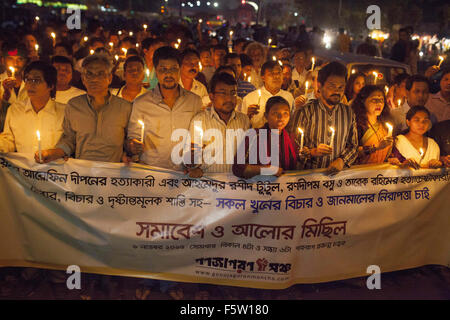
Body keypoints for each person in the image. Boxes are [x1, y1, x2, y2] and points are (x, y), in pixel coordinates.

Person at [35, 53, 132, 163]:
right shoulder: (74, 106)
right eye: (89, 74)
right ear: (83, 78)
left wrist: (129, 150)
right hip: (83, 173)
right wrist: (53, 153)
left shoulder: (125, 107)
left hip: (113, 173)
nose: (94, 79)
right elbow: (69, 139)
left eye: (100, 74)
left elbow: (128, 142)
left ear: (109, 78)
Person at [126, 46, 203, 170]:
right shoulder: (141, 103)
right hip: (151, 173)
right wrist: (132, 145)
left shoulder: (194, 101)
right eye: (163, 69)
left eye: (173, 69)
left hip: (182, 173)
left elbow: (198, 137)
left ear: (180, 70)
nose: (168, 74)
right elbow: (133, 137)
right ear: (156, 71)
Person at [288, 61, 358, 174]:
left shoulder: (348, 113)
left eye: (341, 87)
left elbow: (353, 146)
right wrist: (312, 152)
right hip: (308, 177)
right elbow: (292, 148)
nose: (337, 91)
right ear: (320, 86)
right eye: (332, 86)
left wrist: (342, 161)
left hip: (337, 180)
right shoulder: (305, 111)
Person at [185, 72, 250, 177]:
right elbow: (192, 163)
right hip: (209, 184)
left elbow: (248, 156)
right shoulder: (199, 121)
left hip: (237, 185)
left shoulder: (244, 121)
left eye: (233, 93)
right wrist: (192, 158)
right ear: (211, 97)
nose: (229, 99)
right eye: (223, 93)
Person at [0, 61, 65, 153]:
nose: (30, 85)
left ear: (51, 85)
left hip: (53, 166)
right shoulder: (15, 109)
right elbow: (9, 140)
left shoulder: (64, 113)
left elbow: (68, 143)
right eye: (27, 80)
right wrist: (3, 145)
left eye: (36, 80)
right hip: (23, 166)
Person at [233, 96, 298, 179]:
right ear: (266, 116)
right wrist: (265, 170)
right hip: (259, 188)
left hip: (285, 188)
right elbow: (237, 168)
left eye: (285, 113)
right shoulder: (254, 135)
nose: (281, 118)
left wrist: (308, 153)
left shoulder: (291, 137)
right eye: (275, 113)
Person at [241, 61, 294, 129]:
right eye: (271, 74)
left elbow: (291, 123)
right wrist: (248, 116)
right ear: (263, 77)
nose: (276, 76)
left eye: (279, 73)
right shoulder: (250, 98)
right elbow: (242, 126)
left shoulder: (288, 96)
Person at [352, 85, 394, 164]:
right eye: (374, 100)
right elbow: (351, 152)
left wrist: (391, 159)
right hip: (359, 173)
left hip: (380, 173)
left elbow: (386, 154)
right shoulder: (356, 125)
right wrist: (376, 147)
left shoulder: (385, 125)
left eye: (381, 100)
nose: (379, 103)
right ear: (363, 101)